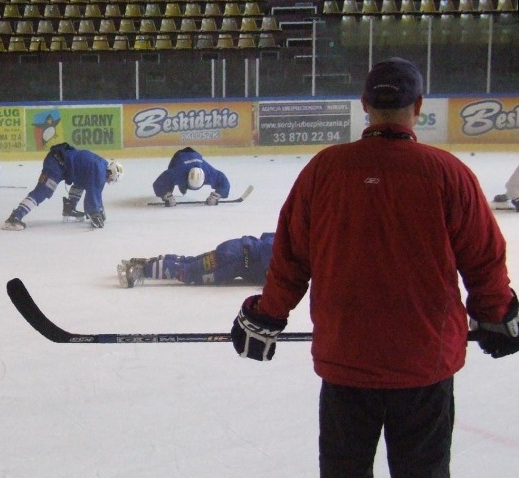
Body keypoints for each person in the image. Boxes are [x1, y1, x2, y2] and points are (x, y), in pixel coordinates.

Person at [229, 57, 518, 478]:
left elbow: (290, 257)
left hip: (346, 360)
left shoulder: (324, 170)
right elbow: (484, 259)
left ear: (364, 104)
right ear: (418, 106)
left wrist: (267, 315)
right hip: (425, 363)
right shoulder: (448, 173)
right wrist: (497, 314)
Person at [3, 142, 123, 230]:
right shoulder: (99, 173)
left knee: (80, 183)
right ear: (111, 173)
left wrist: (98, 209)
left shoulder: (100, 166)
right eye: (111, 179)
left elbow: (87, 186)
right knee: (42, 191)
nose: (108, 181)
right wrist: (95, 213)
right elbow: (94, 194)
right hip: (56, 164)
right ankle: (14, 218)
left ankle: (69, 210)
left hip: (59, 162)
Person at [117, 233, 274, 288]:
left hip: (235, 249)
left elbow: (266, 238)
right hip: (235, 260)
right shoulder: (290, 249)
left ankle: (146, 263)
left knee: (190, 263)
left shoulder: (290, 238)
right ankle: (141, 271)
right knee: (191, 272)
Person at [152, 147, 230, 206]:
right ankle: (180, 188)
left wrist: (218, 195)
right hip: (179, 157)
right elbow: (159, 183)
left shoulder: (208, 173)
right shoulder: (177, 172)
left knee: (175, 183)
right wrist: (166, 195)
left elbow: (223, 181)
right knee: (169, 182)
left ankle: (181, 188)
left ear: (204, 179)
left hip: (194, 155)